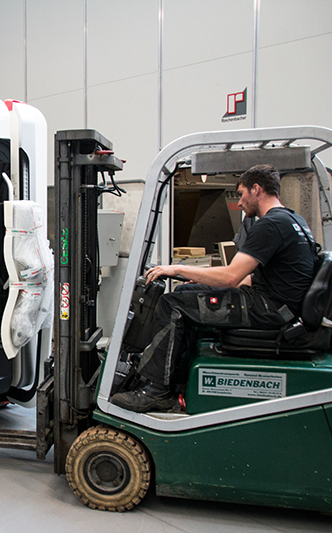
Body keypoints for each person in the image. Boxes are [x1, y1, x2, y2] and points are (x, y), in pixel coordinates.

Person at [111, 164, 316, 412]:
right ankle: (178, 381)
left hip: (267, 309)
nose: (239, 203)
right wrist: (201, 281)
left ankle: (156, 390)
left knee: (171, 304)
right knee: (184, 294)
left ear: (256, 189)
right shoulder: (294, 220)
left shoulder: (270, 225)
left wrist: (177, 269)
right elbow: (256, 278)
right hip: (276, 305)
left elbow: (231, 276)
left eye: (241, 194)